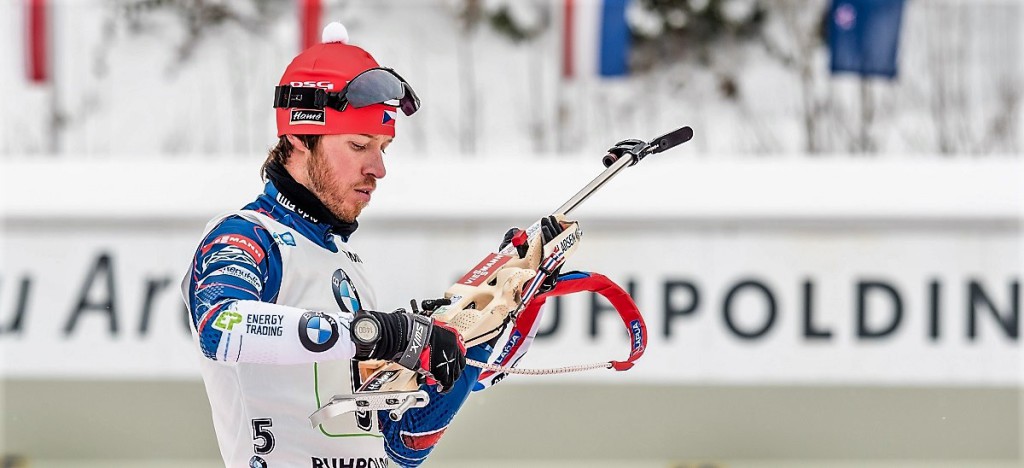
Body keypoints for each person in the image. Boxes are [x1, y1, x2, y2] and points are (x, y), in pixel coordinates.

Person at [181, 22, 491, 468]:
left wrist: (465, 362)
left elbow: (394, 448)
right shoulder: (248, 235)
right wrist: (377, 332)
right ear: (298, 137)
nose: (379, 168)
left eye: (384, 147)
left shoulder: (346, 262)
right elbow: (222, 325)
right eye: (360, 144)